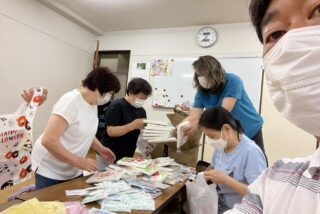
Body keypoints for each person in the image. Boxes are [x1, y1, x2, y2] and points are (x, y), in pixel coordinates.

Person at [225, 0, 320, 213]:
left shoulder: (232, 81)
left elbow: (225, 109)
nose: (294, 42)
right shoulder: (275, 178)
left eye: (317, 10)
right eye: (276, 34)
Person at [31, 67, 120, 190]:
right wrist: (78, 161)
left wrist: (100, 148)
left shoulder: (92, 104)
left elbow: (84, 131)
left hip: (72, 168)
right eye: (109, 93)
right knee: (49, 206)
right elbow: (48, 140)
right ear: (98, 87)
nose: (108, 97)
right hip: (51, 168)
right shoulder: (71, 101)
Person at [182, 55, 266, 160]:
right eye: (199, 75)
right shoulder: (201, 91)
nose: (202, 78)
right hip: (228, 133)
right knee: (230, 163)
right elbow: (194, 115)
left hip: (250, 127)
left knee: (257, 160)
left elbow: (223, 112)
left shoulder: (233, 81)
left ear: (215, 72)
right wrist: (182, 126)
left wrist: (198, 122)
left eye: (205, 75)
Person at [198, 107, 266, 213]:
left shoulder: (251, 152)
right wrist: (202, 176)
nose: (211, 141)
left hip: (239, 208)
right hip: (218, 202)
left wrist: (226, 180)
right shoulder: (221, 146)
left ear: (226, 128)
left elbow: (258, 195)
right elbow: (213, 167)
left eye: (212, 136)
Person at [96, 78, 152, 170]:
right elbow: (111, 131)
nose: (142, 101)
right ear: (130, 92)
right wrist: (132, 125)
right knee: (106, 181)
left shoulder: (141, 110)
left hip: (127, 156)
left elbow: (142, 133)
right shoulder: (116, 105)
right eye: (141, 98)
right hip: (109, 153)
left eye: (144, 99)